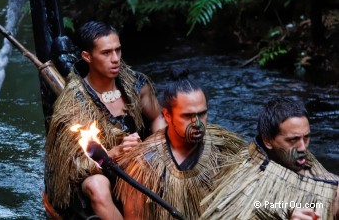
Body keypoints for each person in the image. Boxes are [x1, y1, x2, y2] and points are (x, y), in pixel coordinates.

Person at [44, 21, 166, 219]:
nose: (115, 58)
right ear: (87, 56)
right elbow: (73, 167)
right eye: (106, 53)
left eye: (118, 50)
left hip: (138, 162)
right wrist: (115, 153)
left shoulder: (135, 84)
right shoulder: (73, 103)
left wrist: (154, 144)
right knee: (97, 186)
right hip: (97, 171)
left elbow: (158, 117)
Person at [114, 67, 246, 219]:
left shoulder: (225, 150)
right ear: (167, 116)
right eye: (187, 116)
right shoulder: (145, 164)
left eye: (202, 114)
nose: (197, 123)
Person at [200, 97, 339, 220]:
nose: (303, 148)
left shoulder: (317, 172)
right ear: (268, 141)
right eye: (293, 139)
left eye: (306, 137)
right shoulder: (246, 189)